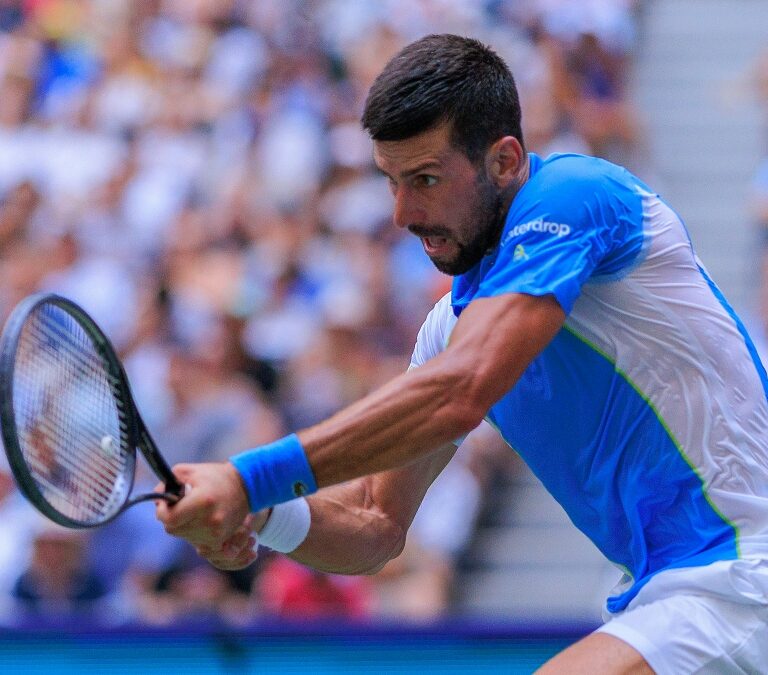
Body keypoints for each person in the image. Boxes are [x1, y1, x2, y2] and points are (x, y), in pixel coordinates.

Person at [156, 34, 768, 673]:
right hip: (671, 593)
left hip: (746, 570)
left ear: (505, 161)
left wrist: (251, 476)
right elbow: (373, 525)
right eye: (391, 182)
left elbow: (460, 391)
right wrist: (264, 512)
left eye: (425, 179)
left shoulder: (577, 194)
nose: (402, 214)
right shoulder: (447, 331)